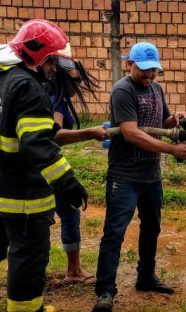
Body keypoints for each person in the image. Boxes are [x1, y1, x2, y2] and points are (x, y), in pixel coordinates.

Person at [0, 19, 89, 312]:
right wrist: (68, 183)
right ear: (41, 57)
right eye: (53, 61)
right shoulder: (29, 89)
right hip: (19, 193)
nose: (54, 69)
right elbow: (37, 144)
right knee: (29, 248)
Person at [92, 42, 186, 312]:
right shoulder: (122, 90)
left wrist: (176, 118)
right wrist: (172, 149)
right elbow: (132, 133)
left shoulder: (156, 89)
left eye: (154, 71)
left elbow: (162, 122)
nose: (149, 76)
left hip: (151, 176)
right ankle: (105, 291)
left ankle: (146, 277)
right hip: (124, 176)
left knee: (152, 228)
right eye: (144, 70)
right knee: (114, 233)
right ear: (129, 65)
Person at [48, 44, 108, 283]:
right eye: (74, 80)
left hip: (48, 163)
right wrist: (90, 133)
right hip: (43, 166)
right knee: (63, 211)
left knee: (65, 211)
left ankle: (70, 269)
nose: (77, 85)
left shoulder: (57, 95)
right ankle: (71, 270)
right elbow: (53, 135)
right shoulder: (54, 99)